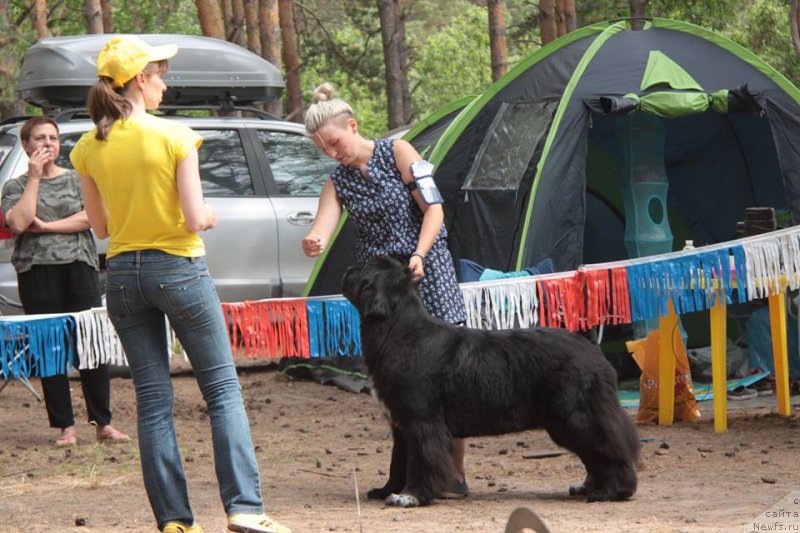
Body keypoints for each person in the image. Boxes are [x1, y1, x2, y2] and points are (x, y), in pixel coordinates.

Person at [69, 35, 290, 533]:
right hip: (179, 268)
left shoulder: (88, 147)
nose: (165, 84)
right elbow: (194, 217)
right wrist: (209, 214)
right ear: (139, 80)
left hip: (123, 276)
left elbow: (100, 228)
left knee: (152, 399)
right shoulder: (175, 136)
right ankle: (245, 509)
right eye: (160, 74)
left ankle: (174, 521)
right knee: (222, 388)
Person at [301, 82, 469, 499]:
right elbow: (322, 224)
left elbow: (435, 208)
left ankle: (454, 474)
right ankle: (407, 475)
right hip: (383, 292)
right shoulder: (337, 183)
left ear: (352, 126)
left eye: (335, 142)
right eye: (323, 148)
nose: (332, 152)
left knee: (448, 379)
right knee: (399, 381)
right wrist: (314, 240)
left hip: (426, 273)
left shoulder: (399, 153)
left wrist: (420, 254)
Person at [0, 115, 129, 448]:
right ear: (27, 145)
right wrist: (33, 178)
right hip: (36, 271)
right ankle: (65, 428)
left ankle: (103, 423)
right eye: (40, 138)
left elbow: (93, 217)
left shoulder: (77, 180)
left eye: (53, 138)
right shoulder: (14, 187)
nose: (47, 144)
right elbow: (19, 221)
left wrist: (47, 227)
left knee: (90, 344)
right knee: (50, 349)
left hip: (79, 266)